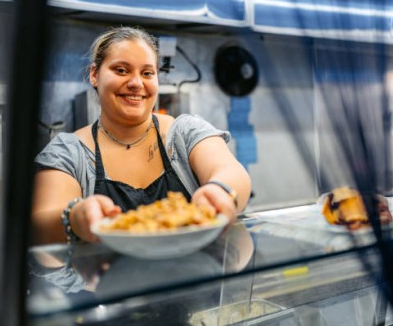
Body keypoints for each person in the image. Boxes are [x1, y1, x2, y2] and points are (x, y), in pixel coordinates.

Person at [32, 26, 251, 245]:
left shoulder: (186, 132)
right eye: (121, 70)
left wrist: (220, 191)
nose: (136, 83)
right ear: (94, 74)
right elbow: (40, 222)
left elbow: (230, 171)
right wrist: (76, 217)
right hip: (104, 278)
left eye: (147, 73)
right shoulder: (69, 152)